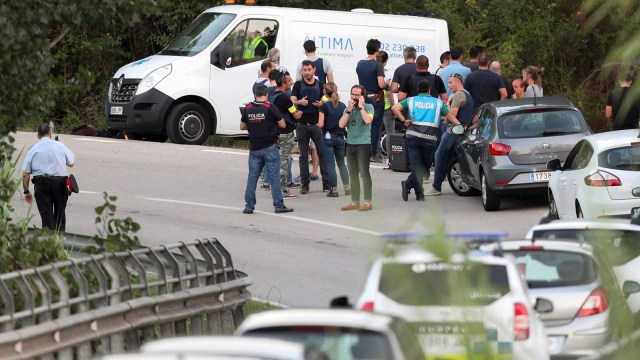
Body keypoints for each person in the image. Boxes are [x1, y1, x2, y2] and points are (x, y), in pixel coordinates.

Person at [393, 80, 460, 201]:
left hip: (412, 136)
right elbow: (450, 116)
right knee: (425, 167)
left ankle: (408, 184)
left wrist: (404, 120)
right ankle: (419, 193)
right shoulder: (438, 102)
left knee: (416, 166)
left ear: (418, 90)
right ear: (429, 90)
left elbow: (395, 108)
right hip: (429, 139)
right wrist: (460, 126)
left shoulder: (411, 100)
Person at [240, 84, 293, 214]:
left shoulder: (248, 108)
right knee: (274, 177)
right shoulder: (270, 107)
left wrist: (254, 124)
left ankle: (249, 206)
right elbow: (283, 124)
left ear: (255, 95)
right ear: (267, 94)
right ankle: (278, 205)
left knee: (252, 177)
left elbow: (242, 126)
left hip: (254, 148)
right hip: (270, 146)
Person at [426, 73, 474, 196]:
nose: (449, 85)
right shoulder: (467, 95)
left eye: (451, 82)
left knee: (440, 155)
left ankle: (436, 187)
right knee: (451, 157)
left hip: (453, 131)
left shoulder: (458, 95)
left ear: (458, 82)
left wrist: (448, 105)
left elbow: (451, 115)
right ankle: (440, 182)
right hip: (463, 130)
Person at [21, 124, 76, 231]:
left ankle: (48, 243)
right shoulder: (60, 145)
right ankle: (60, 243)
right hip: (61, 184)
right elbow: (72, 163)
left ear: (38, 136)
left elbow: (25, 174)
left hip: (42, 185)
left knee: (47, 217)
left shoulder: (33, 149)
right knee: (60, 214)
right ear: (50, 135)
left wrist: (26, 192)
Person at [291, 60, 330, 194]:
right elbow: (292, 102)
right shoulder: (297, 85)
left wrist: (321, 105)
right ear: (301, 71)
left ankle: (326, 183)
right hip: (301, 125)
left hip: (316, 126)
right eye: (304, 70)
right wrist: (299, 102)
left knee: (321, 154)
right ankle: (305, 184)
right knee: (303, 156)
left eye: (309, 69)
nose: (307, 72)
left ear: (314, 70)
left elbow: (327, 102)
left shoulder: (320, 85)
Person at [339, 85, 374, 211]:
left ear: (362, 96)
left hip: (363, 144)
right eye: (352, 94)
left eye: (357, 95)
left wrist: (361, 107)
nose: (354, 97)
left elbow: (368, 120)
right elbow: (341, 124)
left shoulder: (369, 107)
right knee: (352, 174)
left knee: (364, 173)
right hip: (350, 143)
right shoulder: (348, 109)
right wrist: (348, 110)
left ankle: (367, 202)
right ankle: (355, 201)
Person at [269, 71, 303, 199]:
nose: (291, 83)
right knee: (284, 162)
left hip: (276, 132)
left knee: (277, 161)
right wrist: (299, 113)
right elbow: (295, 113)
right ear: (283, 83)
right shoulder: (285, 98)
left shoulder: (272, 96)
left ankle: (276, 188)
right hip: (286, 132)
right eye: (289, 81)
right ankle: (282, 191)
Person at [356, 39, 387, 163]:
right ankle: (374, 154)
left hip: (363, 98)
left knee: (363, 125)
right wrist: (387, 84)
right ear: (377, 50)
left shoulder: (359, 63)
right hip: (375, 98)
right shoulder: (378, 65)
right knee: (375, 127)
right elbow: (380, 83)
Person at [319, 82, 350, 197]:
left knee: (330, 163)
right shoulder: (342, 106)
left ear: (325, 92)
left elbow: (321, 124)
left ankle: (334, 189)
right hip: (341, 136)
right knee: (341, 163)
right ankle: (347, 188)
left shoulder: (324, 106)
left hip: (328, 136)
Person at [377, 50, 396, 163]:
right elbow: (389, 92)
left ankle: (376, 154)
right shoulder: (387, 74)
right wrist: (393, 107)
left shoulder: (373, 72)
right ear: (386, 61)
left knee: (376, 131)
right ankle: (390, 156)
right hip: (387, 106)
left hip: (375, 104)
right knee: (390, 132)